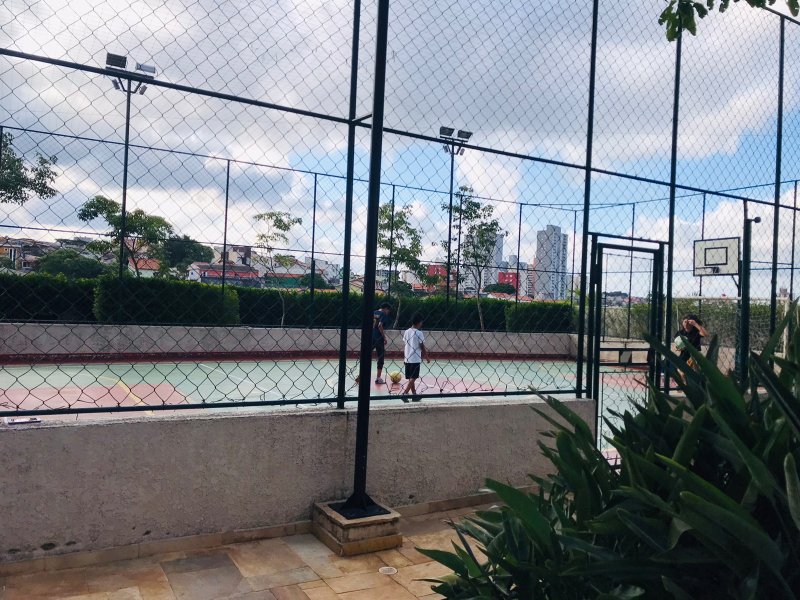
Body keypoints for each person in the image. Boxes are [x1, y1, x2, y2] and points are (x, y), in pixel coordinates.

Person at [673, 313, 709, 379]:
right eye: (685, 322)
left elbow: (705, 334)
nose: (686, 324)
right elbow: (677, 345)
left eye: (688, 322)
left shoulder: (696, 332)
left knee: (689, 372)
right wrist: (678, 348)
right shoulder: (680, 332)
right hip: (684, 355)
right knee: (679, 371)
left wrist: (695, 324)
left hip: (694, 356)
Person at [401, 313, 426, 402]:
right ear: (419, 322)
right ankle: (405, 393)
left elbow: (405, 344)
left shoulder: (407, 331)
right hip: (415, 358)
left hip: (407, 357)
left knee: (411, 377)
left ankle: (414, 395)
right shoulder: (419, 333)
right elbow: (422, 346)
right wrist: (426, 356)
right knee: (414, 377)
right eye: (421, 322)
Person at [372, 302, 392, 384]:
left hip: (370, 336)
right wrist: (384, 337)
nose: (388, 312)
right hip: (378, 338)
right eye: (388, 310)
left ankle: (361, 375)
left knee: (366, 356)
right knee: (380, 357)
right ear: (386, 308)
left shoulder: (373, 312)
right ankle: (378, 378)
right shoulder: (383, 314)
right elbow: (380, 325)